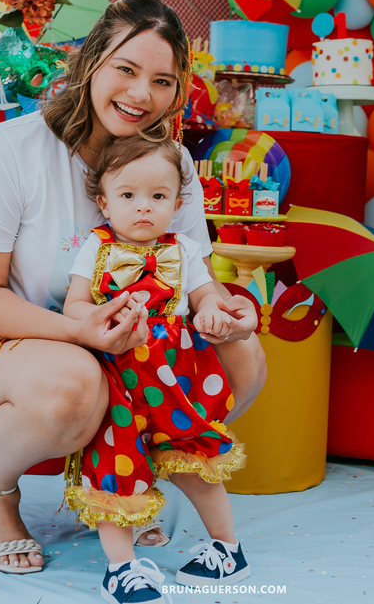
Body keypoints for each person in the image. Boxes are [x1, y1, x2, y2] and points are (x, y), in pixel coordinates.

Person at [0, 0, 265, 575]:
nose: (140, 94)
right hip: (8, 343)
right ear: (91, 60)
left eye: (161, 80)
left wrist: (228, 310)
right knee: (73, 379)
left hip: (136, 345)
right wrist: (80, 331)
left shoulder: (170, 163)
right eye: (125, 69)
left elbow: (191, 269)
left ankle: (128, 485)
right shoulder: (8, 152)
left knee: (243, 355)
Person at [63, 136, 250, 601]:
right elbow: (74, 306)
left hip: (176, 377)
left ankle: (229, 550)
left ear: (178, 203)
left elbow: (206, 294)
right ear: (104, 201)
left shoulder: (184, 249)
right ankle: (123, 567)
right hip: (117, 372)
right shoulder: (96, 246)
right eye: (128, 196)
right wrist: (99, 321)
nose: (143, 207)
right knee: (115, 463)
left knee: (196, 458)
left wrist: (211, 311)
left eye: (158, 197)